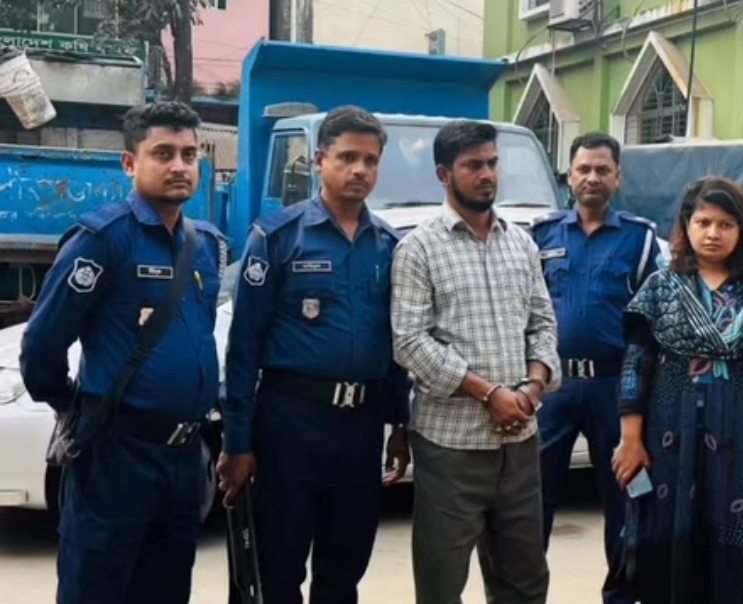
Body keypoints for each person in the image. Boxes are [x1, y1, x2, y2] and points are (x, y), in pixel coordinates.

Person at [19, 101, 227, 604]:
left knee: (167, 589)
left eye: (189, 154)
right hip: (116, 453)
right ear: (130, 163)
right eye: (163, 153)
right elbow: (42, 347)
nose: (179, 165)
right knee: (96, 588)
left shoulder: (204, 245)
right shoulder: (102, 240)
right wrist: (74, 406)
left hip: (185, 457)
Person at [217, 105, 411, 604]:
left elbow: (395, 343)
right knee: (277, 567)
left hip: (362, 425)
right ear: (320, 159)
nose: (359, 170)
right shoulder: (278, 237)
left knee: (345, 565)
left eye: (370, 160)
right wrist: (237, 441)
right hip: (291, 422)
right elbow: (244, 345)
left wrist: (400, 424)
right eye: (347, 157)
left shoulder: (389, 246)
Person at [608, 176, 743, 604]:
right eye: (704, 222)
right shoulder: (660, 289)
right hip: (670, 433)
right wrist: (630, 439)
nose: (713, 233)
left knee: (738, 536)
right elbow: (636, 366)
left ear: (742, 231)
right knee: (668, 533)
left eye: (726, 224)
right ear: (686, 225)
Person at [390, 119, 561, 604]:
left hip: (520, 443)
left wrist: (531, 389)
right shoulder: (419, 248)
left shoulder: (521, 243)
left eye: (491, 163)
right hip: (451, 447)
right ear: (444, 175)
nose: (486, 175)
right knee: (442, 584)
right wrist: (489, 394)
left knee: (525, 581)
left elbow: (543, 324)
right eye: (472, 166)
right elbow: (409, 342)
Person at [529, 131, 659, 604]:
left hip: (615, 387)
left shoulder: (640, 239)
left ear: (617, 176)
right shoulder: (542, 235)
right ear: (569, 175)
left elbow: (650, 323)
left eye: (603, 170)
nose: (592, 178)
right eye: (583, 169)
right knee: (532, 501)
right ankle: (525, 594)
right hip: (553, 386)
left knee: (626, 499)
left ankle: (621, 596)